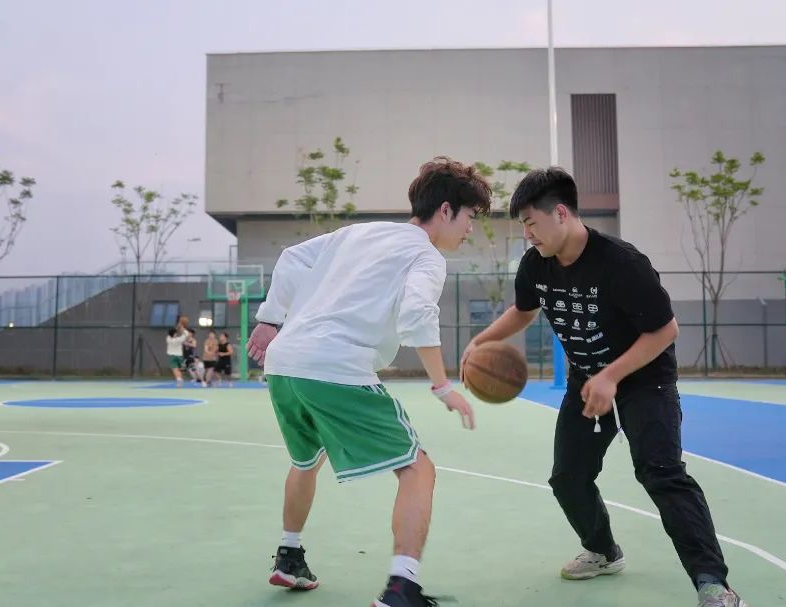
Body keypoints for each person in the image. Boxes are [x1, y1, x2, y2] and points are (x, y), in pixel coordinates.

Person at [463, 167, 748, 607]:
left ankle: (713, 583)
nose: (526, 234)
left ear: (561, 213)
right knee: (568, 477)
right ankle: (602, 551)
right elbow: (524, 309)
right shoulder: (536, 264)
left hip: (644, 382)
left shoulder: (621, 263)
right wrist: (480, 342)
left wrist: (611, 376)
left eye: (531, 223)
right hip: (587, 380)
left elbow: (665, 330)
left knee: (661, 473)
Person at [247, 156, 490, 607]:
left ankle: (289, 556)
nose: (470, 228)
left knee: (306, 460)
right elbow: (418, 314)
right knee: (417, 469)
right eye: (470, 216)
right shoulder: (425, 256)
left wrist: (269, 318)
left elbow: (292, 258)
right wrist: (443, 387)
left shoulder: (358, 233)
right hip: (335, 365)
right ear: (445, 210)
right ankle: (402, 589)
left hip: (284, 363)